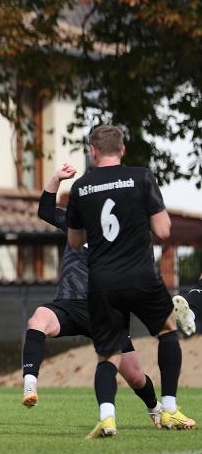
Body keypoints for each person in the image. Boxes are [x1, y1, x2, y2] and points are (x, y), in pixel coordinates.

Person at [66, 125, 195, 438]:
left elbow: (73, 242)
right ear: (122, 150)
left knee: (107, 354)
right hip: (140, 276)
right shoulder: (141, 177)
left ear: (92, 151)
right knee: (167, 331)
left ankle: (108, 417)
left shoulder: (80, 187)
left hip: (102, 282)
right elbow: (163, 231)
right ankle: (169, 410)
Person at [21, 164, 163, 427]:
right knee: (38, 319)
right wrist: (55, 179)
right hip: (69, 304)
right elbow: (44, 210)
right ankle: (30, 385)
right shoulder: (78, 221)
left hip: (106, 310)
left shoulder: (126, 232)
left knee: (134, 376)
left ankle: (156, 408)